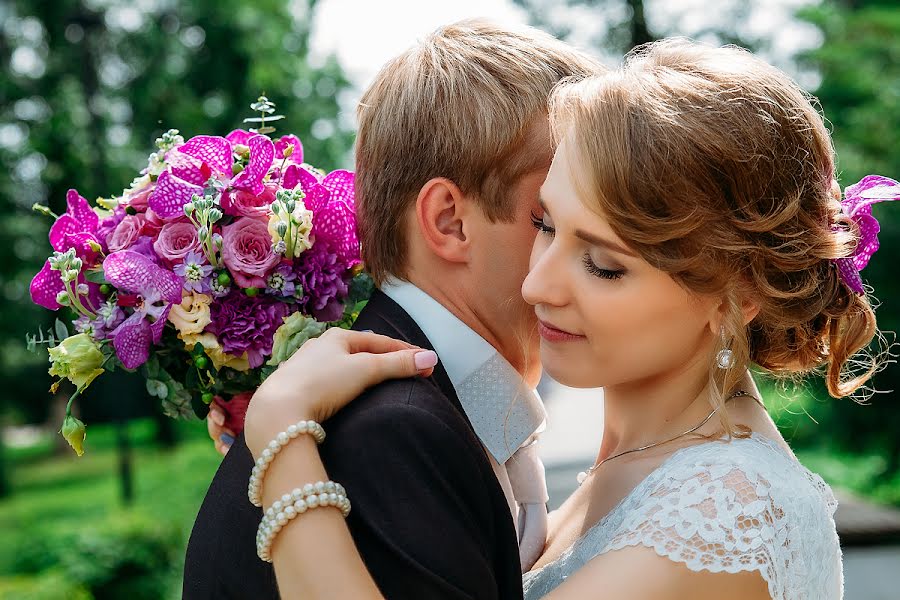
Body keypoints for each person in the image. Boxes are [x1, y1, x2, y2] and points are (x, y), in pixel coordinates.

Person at [242, 39, 898, 599]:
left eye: (603, 265)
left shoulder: (731, 513)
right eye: (546, 226)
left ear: (738, 294)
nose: (538, 283)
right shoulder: (645, 467)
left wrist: (282, 445)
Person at [183, 20, 605, 599]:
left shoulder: (430, 414)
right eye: (550, 219)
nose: (595, 240)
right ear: (450, 222)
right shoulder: (391, 436)